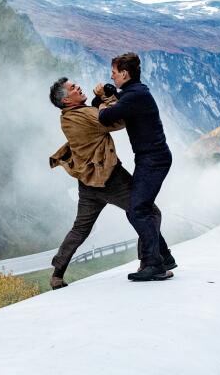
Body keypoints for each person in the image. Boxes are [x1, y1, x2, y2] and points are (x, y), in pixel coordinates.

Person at [48, 77, 175, 290]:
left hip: (87, 183)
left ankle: (57, 275)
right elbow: (118, 121)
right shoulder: (86, 115)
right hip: (111, 180)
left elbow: (98, 116)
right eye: (73, 88)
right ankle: (151, 263)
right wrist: (110, 97)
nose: (78, 87)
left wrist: (99, 100)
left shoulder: (68, 118)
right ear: (67, 100)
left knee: (80, 229)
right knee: (148, 212)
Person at [97, 52, 174, 282]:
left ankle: (155, 265)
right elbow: (120, 99)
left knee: (137, 210)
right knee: (143, 208)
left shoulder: (134, 97)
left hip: (153, 160)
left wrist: (101, 105)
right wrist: (110, 94)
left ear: (124, 73)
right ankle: (164, 258)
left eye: (114, 73)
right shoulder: (135, 93)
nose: (112, 76)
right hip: (150, 158)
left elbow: (106, 117)